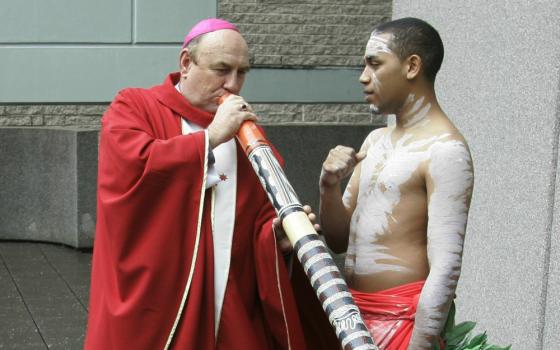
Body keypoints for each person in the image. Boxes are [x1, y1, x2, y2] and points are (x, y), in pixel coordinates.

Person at [84, 18, 310, 350]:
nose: (233, 84)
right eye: (222, 69)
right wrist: (212, 137)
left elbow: (255, 219)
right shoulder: (134, 106)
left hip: (228, 299)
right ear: (186, 63)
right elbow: (131, 171)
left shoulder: (248, 140)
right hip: (158, 298)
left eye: (242, 72)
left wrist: (276, 235)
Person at [319, 17, 474, 349]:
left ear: (412, 66)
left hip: (402, 326)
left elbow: (446, 268)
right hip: (350, 318)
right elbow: (337, 239)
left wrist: (419, 344)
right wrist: (328, 186)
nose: (363, 77)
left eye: (374, 64)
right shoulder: (375, 141)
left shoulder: (445, 150)